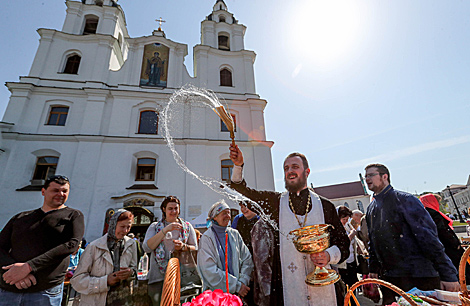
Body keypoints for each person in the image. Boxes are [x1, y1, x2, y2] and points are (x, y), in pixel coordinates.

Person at [229, 144, 350, 306]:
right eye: (286, 168)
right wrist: (238, 166)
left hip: (325, 288)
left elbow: (343, 244)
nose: (290, 171)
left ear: (307, 172)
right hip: (287, 287)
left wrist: (328, 255)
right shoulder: (275, 203)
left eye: (295, 167)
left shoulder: (325, 206)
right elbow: (242, 192)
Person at [364, 164, 459, 305]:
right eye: (366, 176)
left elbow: (428, 238)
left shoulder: (404, 200)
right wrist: (373, 268)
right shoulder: (371, 208)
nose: (367, 179)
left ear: (385, 176)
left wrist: (447, 274)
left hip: (418, 276)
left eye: (371, 175)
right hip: (390, 279)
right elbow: (374, 240)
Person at [0, 175, 84, 306]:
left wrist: (29, 267)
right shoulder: (21, 217)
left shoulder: (73, 215)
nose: (60, 194)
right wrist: (15, 270)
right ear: (43, 191)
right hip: (10, 287)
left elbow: (71, 244)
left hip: (45, 290)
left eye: (64, 191)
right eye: (55, 190)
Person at [70, 209, 137, 305]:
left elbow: (134, 268)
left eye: (128, 227)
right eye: (122, 226)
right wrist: (105, 282)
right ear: (113, 225)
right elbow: (77, 281)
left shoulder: (131, 244)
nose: (125, 231)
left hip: (122, 300)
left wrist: (130, 273)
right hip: (97, 301)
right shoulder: (94, 247)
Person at [142, 196, 198, 306]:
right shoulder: (155, 227)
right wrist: (165, 230)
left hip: (182, 277)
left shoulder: (186, 226)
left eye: (176, 208)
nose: (173, 211)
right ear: (164, 209)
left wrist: (183, 247)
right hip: (158, 278)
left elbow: (195, 248)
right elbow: (147, 247)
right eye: (170, 208)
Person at [197, 200, 254, 296]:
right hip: (216, 296)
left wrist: (243, 282)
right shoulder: (207, 238)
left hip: (237, 294)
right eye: (224, 213)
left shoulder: (234, 234)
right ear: (215, 217)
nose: (228, 216)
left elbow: (247, 259)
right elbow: (208, 270)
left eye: (229, 213)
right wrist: (236, 286)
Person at [420, 193, 469, 280]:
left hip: (441, 247)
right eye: (437, 202)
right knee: (462, 268)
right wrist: (456, 244)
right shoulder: (434, 214)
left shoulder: (423, 214)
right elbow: (444, 231)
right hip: (449, 247)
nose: (438, 204)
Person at [231, 202, 259, 305]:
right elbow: (232, 238)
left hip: (257, 260)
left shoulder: (260, 219)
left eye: (246, 206)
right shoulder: (238, 219)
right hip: (243, 259)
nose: (244, 209)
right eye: (241, 207)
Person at [336, 206, 360, 289]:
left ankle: (354, 300)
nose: (345, 222)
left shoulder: (347, 226)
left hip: (351, 260)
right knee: (347, 286)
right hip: (343, 264)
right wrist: (351, 235)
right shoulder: (335, 229)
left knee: (354, 284)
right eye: (344, 220)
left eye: (347, 219)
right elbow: (342, 244)